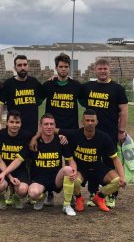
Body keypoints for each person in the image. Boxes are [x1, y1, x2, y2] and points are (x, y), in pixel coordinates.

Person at [0, 113, 78, 216]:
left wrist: (74, 171)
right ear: (40, 126)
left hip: (56, 179)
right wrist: (4, 173)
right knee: (33, 193)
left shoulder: (61, 141)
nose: (49, 127)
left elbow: (71, 161)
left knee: (68, 169)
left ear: (55, 125)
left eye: (51, 124)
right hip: (39, 180)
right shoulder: (33, 143)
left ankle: (67, 205)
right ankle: (41, 197)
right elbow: (18, 160)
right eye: (46, 124)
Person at [80, 58, 128, 208]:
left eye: (104, 69)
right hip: (91, 133)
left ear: (109, 70)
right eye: (99, 69)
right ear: (95, 70)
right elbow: (70, 89)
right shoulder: (88, 87)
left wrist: (121, 131)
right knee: (93, 163)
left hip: (110, 133)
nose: (102, 71)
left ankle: (110, 195)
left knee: (109, 164)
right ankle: (94, 193)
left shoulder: (117, 88)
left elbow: (124, 111)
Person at [58, 109, 126, 212]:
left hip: (97, 167)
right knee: (74, 180)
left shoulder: (104, 137)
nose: (90, 123)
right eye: (87, 120)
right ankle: (79, 198)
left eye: (92, 120)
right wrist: (60, 136)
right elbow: (52, 130)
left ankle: (99, 197)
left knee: (118, 181)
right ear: (82, 121)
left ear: (96, 122)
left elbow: (115, 159)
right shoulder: (74, 134)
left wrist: (122, 177)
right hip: (81, 168)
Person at [42, 53, 82, 206]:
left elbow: (87, 103)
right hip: (51, 131)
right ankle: (49, 192)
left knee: (70, 162)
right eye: (61, 66)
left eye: (66, 67)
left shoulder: (76, 86)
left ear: (69, 68)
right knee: (50, 161)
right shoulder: (48, 85)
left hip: (71, 130)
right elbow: (37, 100)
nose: (63, 69)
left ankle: (70, 194)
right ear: (56, 68)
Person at [0, 110, 34, 210]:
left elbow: (18, 161)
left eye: (17, 122)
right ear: (6, 122)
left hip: (19, 169)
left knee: (23, 189)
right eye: (11, 122)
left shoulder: (26, 136)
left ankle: (16, 198)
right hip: (2, 169)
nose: (14, 125)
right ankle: (1, 198)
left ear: (21, 123)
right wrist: (9, 177)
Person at [0, 55, 44, 134]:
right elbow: (0, 103)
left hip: (31, 128)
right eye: (19, 65)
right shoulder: (8, 84)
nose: (22, 68)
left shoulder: (34, 82)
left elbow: (43, 95)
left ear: (28, 66)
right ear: (14, 68)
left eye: (25, 65)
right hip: (14, 128)